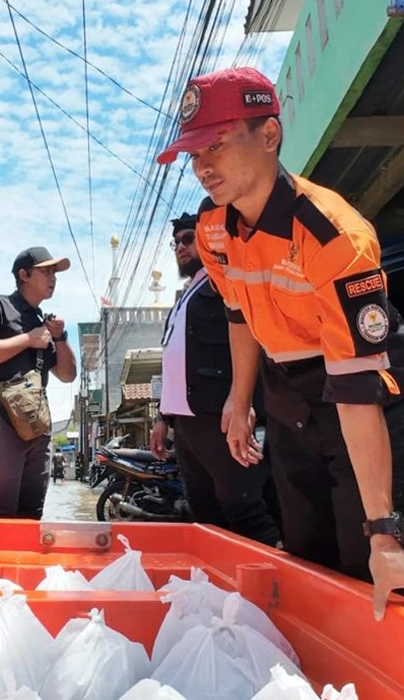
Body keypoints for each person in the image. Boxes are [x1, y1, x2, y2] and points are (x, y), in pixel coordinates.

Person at [157, 66, 404, 621]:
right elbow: (239, 313)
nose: (202, 166)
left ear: (269, 135)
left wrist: (385, 536)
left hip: (356, 377)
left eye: (217, 145)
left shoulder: (333, 236)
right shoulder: (211, 229)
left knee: (365, 546)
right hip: (282, 381)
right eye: (193, 153)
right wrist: (240, 399)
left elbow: (355, 389)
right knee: (303, 541)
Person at [151, 212, 281, 546]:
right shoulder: (186, 296)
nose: (180, 247)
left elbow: (254, 340)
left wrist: (242, 400)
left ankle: (273, 590)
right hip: (188, 423)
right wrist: (163, 418)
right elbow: (175, 361)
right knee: (204, 512)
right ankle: (220, 592)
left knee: (243, 506)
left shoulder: (226, 279)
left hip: (221, 417)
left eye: (188, 239)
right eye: (176, 242)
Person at [0, 247, 78, 519]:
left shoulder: (45, 323)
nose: (54, 278)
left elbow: (67, 375)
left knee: (32, 513)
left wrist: (61, 337)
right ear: (24, 274)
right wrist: (28, 339)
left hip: (38, 427)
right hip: (1, 423)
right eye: (46, 271)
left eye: (55, 272)